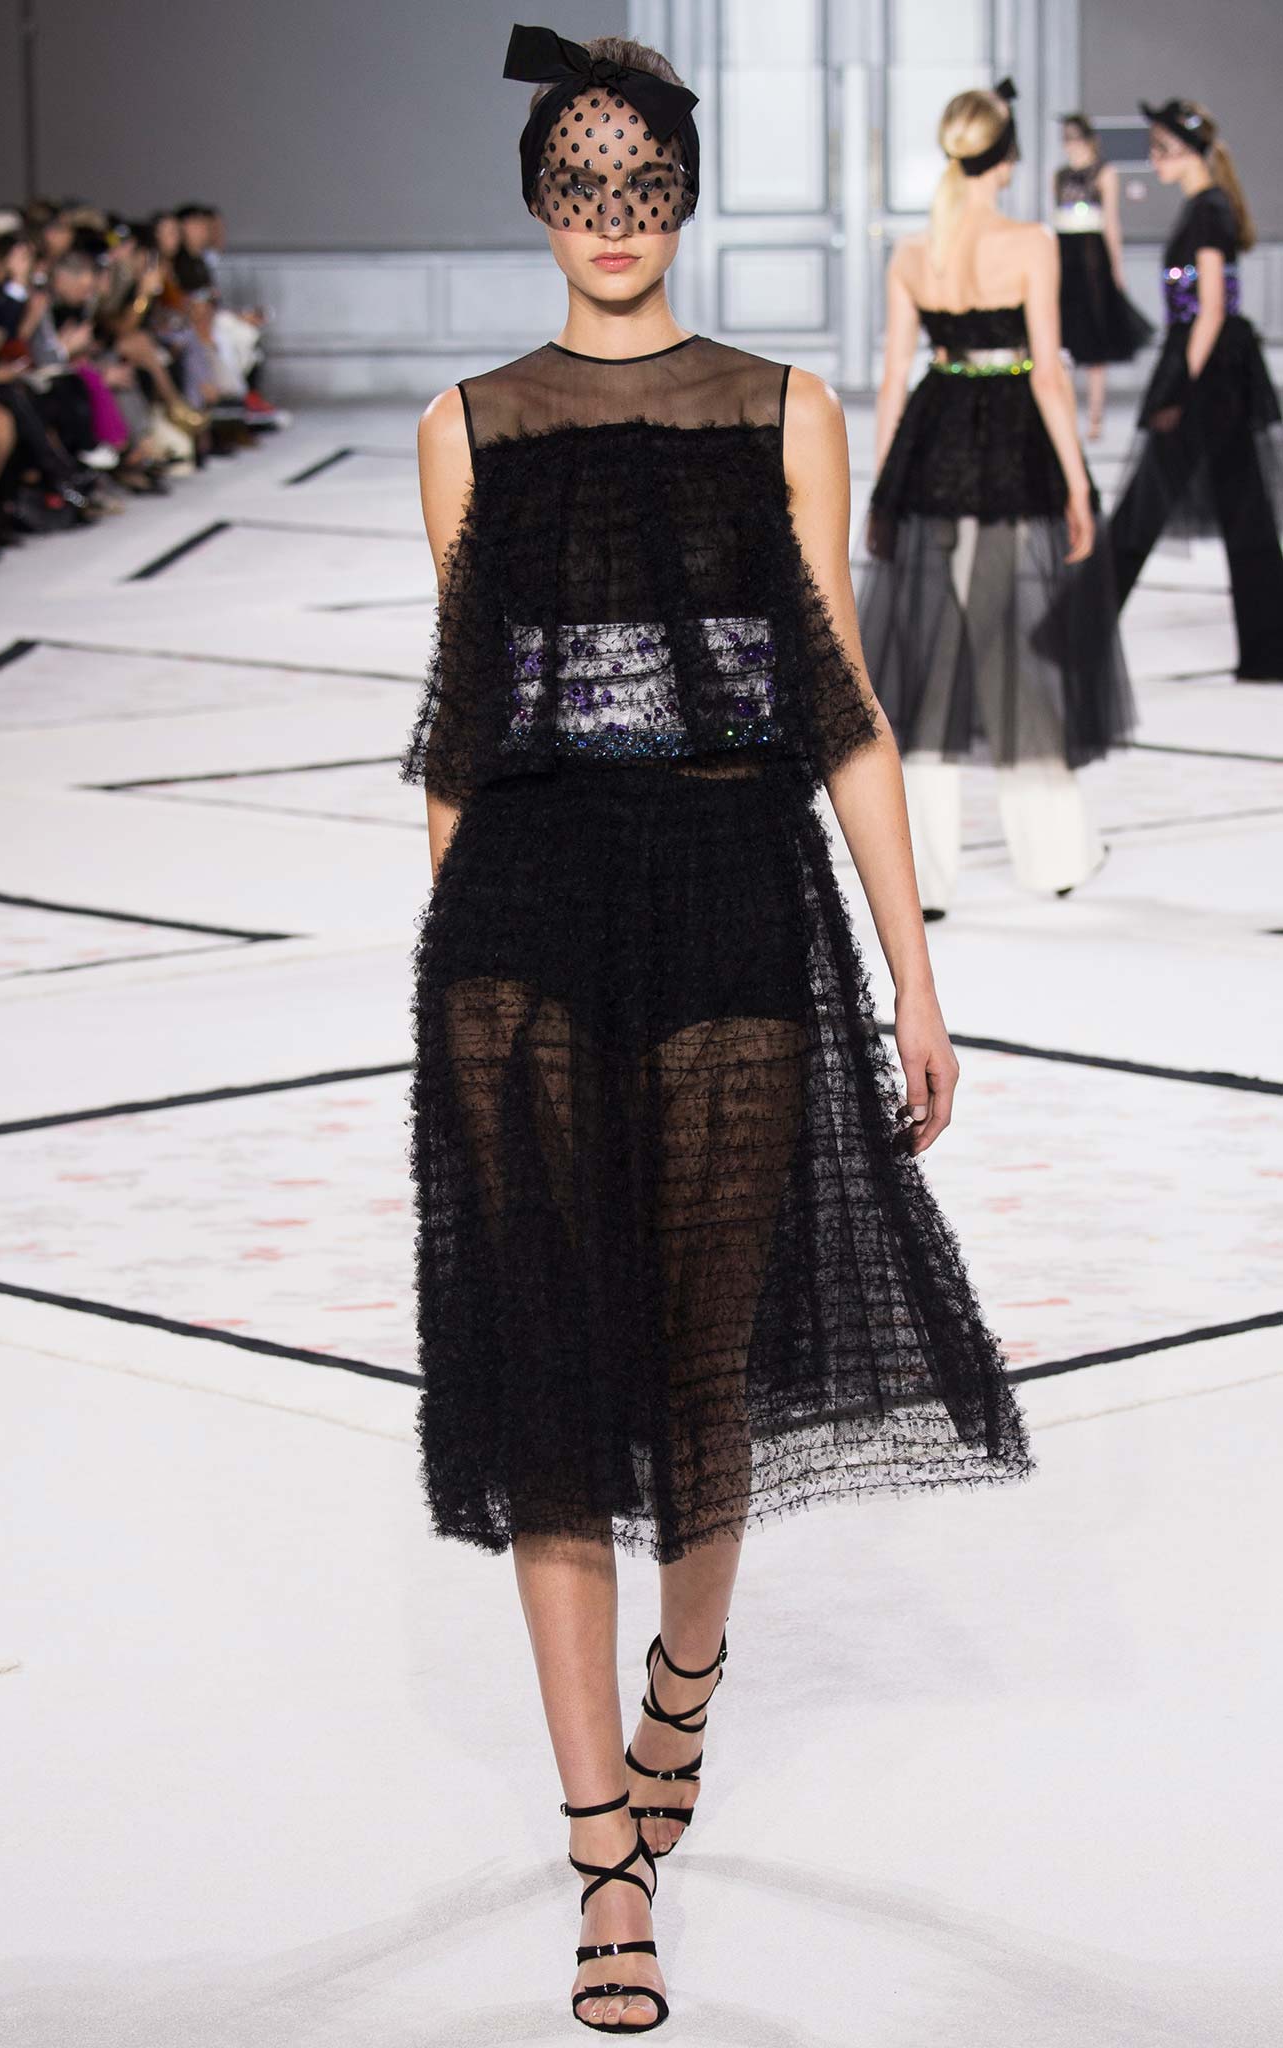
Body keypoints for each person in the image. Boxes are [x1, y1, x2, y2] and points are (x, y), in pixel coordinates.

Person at [400, 26, 1034, 2033]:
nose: (611, 218)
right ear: (533, 199)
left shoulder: (780, 408)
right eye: (577, 184)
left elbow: (837, 697)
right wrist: (451, 962)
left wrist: (914, 972)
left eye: (642, 183)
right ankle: (602, 1850)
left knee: (701, 1358)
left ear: (684, 192)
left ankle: (687, 1676)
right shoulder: (466, 425)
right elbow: (465, 730)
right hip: (523, 916)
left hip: (736, 896)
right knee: (547, 1380)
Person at [854, 81, 1134, 920]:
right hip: (1011, 456)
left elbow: (892, 380)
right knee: (1013, 652)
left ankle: (929, 880)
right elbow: (1048, 375)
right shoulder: (1030, 243)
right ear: (1006, 157)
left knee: (928, 662)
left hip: (931, 450)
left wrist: (885, 486)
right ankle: (1056, 857)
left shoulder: (915, 253)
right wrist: (1078, 482)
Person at [1109, 98, 1283, 682]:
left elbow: (1210, 308)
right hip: (1215, 370)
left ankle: (1075, 636)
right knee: (1243, 509)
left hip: (1207, 374)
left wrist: (1178, 390)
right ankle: (1269, 651)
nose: (1154, 160)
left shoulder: (1209, 209)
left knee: (1147, 505)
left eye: (1160, 149)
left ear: (1185, 151)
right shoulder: (1208, 206)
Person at [1053, 111, 1153, 439]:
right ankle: (1066, 415)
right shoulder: (1060, 175)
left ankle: (1095, 416)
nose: (1070, 145)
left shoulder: (1104, 173)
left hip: (1092, 257)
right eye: (1066, 139)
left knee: (1097, 335)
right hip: (1065, 255)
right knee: (1064, 338)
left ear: (1088, 140)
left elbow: (1111, 221)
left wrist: (1116, 266)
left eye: (1074, 138)